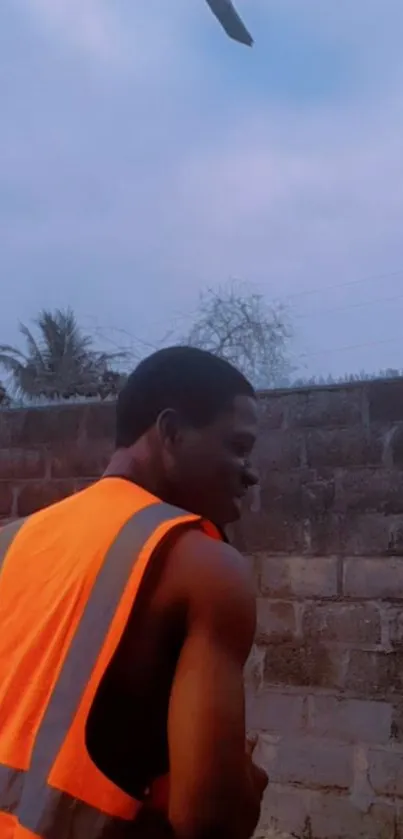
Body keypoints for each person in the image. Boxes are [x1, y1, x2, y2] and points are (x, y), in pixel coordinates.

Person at [0, 345, 268, 839]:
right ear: (170, 433)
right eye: (238, 446)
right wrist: (247, 786)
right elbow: (210, 821)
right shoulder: (204, 567)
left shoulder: (12, 541)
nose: (249, 472)